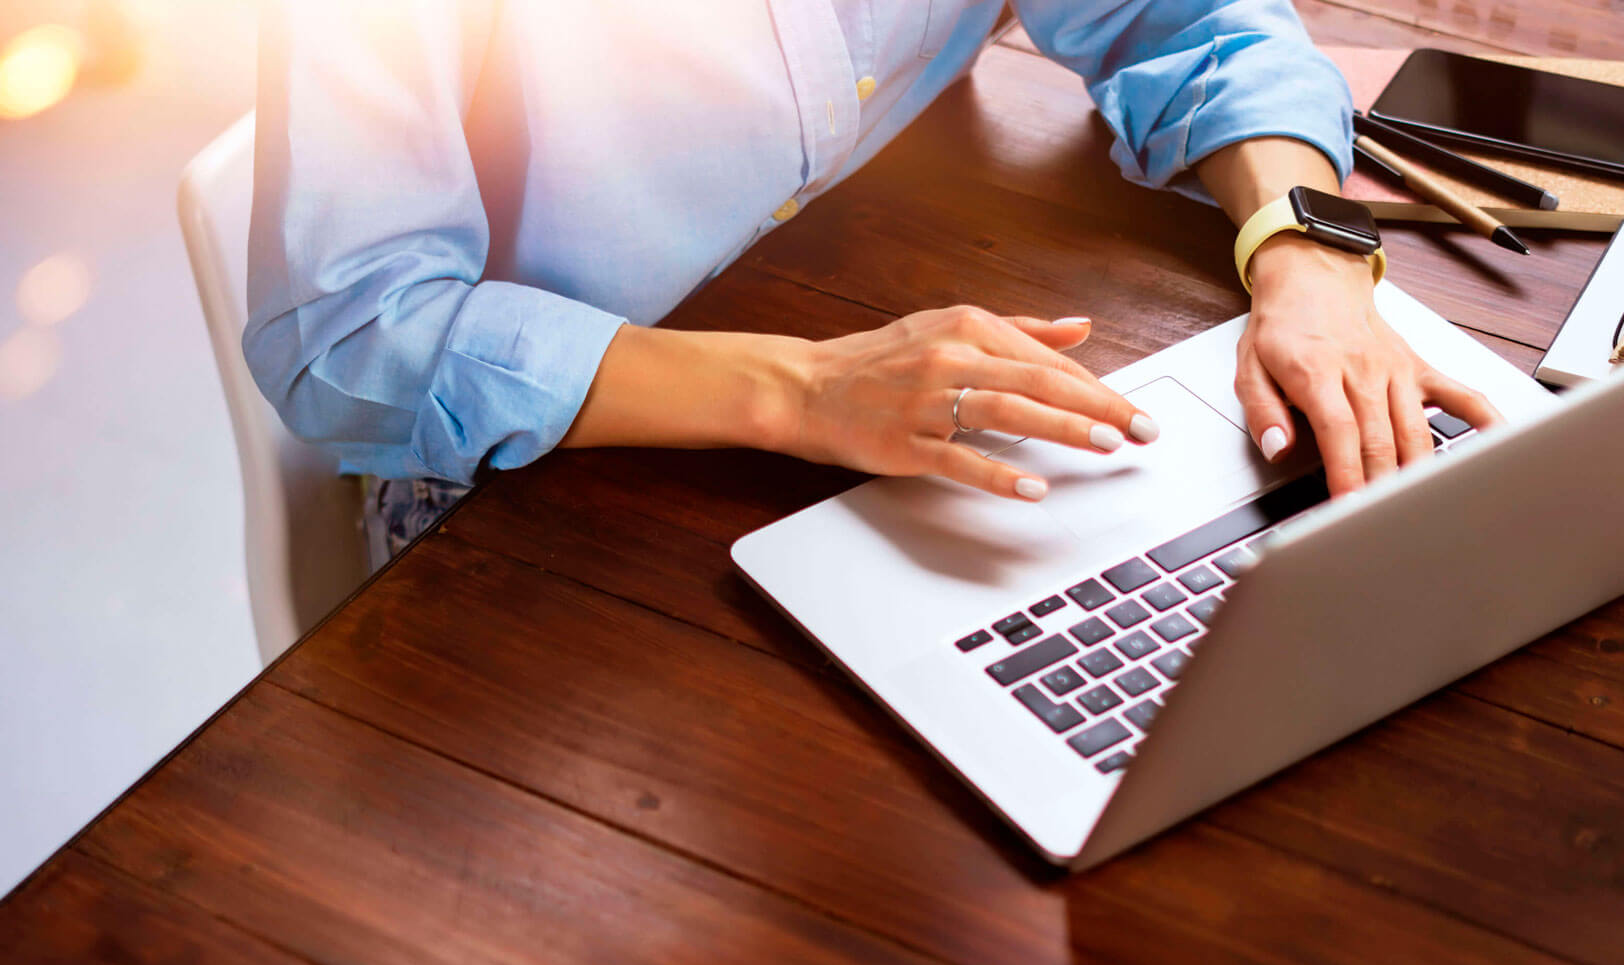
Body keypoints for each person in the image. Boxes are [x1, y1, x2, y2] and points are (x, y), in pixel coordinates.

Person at [245, 0, 1498, 563]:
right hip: (539, 484)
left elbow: (1182, 20)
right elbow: (351, 335)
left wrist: (1310, 261)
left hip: (875, 312)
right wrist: (802, 391)